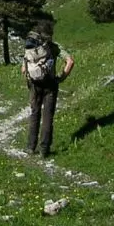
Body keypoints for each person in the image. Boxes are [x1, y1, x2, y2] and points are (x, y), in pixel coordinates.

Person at [21, 20, 74, 158]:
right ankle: (44, 150)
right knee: (48, 116)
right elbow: (70, 61)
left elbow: (23, 69)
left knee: (34, 113)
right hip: (50, 84)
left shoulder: (32, 47)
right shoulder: (54, 47)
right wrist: (61, 78)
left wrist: (30, 79)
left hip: (34, 85)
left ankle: (30, 147)